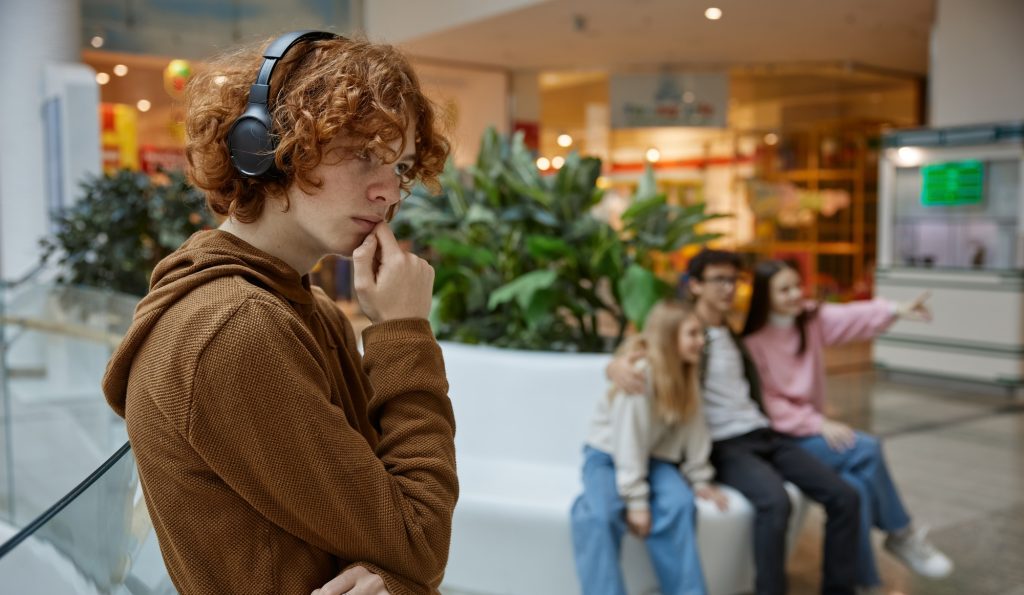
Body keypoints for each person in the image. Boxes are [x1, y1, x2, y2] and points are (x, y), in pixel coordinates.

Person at [101, 32, 457, 595]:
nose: (388, 192)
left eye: (402, 167)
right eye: (364, 155)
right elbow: (419, 538)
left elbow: (396, 540)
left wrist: (393, 581)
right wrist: (404, 333)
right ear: (267, 146)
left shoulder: (308, 308)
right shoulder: (233, 329)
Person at [607, 249, 861, 595]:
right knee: (775, 502)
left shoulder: (732, 330)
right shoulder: (686, 333)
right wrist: (616, 364)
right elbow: (644, 350)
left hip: (764, 434)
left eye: (734, 280)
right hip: (725, 445)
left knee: (844, 496)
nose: (729, 288)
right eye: (719, 280)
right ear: (695, 286)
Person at [742, 259, 953, 592]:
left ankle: (863, 583)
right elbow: (770, 404)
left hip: (810, 432)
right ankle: (901, 533)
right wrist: (818, 423)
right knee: (866, 448)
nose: (796, 294)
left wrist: (895, 308)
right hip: (783, 437)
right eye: (784, 289)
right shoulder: (753, 341)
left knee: (855, 488)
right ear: (764, 296)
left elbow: (851, 316)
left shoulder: (809, 319)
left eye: (797, 285)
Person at [572, 300, 728, 595]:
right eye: (692, 334)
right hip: (608, 455)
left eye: (701, 335)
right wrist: (637, 502)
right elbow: (627, 441)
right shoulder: (640, 375)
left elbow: (694, 427)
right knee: (600, 515)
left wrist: (699, 477)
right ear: (670, 338)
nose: (700, 342)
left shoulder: (685, 372)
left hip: (651, 458)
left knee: (680, 503)